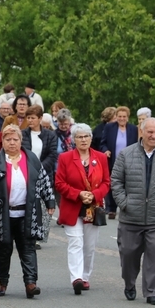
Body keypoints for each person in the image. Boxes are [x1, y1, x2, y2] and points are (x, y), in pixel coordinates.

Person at [111, 118, 155, 305]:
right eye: (150, 132)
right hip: (130, 217)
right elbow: (116, 181)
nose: (153, 136)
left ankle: (152, 291)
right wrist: (124, 203)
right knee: (128, 255)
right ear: (141, 132)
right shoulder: (126, 154)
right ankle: (129, 282)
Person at [0, 124, 55, 298]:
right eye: (8, 139)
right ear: (2, 141)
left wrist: (49, 200)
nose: (12, 143)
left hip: (27, 212)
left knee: (28, 247)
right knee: (3, 247)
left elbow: (43, 181)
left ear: (21, 141)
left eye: (15, 139)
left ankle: (31, 283)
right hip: (3, 213)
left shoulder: (31, 158)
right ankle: (2, 282)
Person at [54, 124, 110, 294]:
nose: (83, 140)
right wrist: (78, 194)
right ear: (73, 140)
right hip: (73, 206)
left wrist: (95, 195)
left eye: (86, 136)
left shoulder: (100, 157)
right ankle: (76, 278)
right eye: (80, 137)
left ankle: (85, 276)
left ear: (91, 138)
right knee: (76, 241)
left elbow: (107, 182)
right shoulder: (65, 158)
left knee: (89, 245)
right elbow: (59, 183)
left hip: (93, 208)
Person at [100, 106, 138, 219]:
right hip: (113, 160)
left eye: (124, 116)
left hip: (128, 161)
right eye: (120, 116)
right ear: (116, 117)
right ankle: (111, 209)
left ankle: (125, 207)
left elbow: (137, 144)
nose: (122, 119)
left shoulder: (133, 129)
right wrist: (105, 150)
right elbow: (103, 143)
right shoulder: (109, 127)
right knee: (113, 184)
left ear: (128, 117)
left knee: (127, 184)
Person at [21, 104, 58, 176]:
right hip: (25, 173)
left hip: (45, 174)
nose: (30, 120)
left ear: (40, 118)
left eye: (33, 118)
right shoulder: (21, 134)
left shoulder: (50, 135)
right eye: (28, 118)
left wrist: (39, 167)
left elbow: (52, 155)